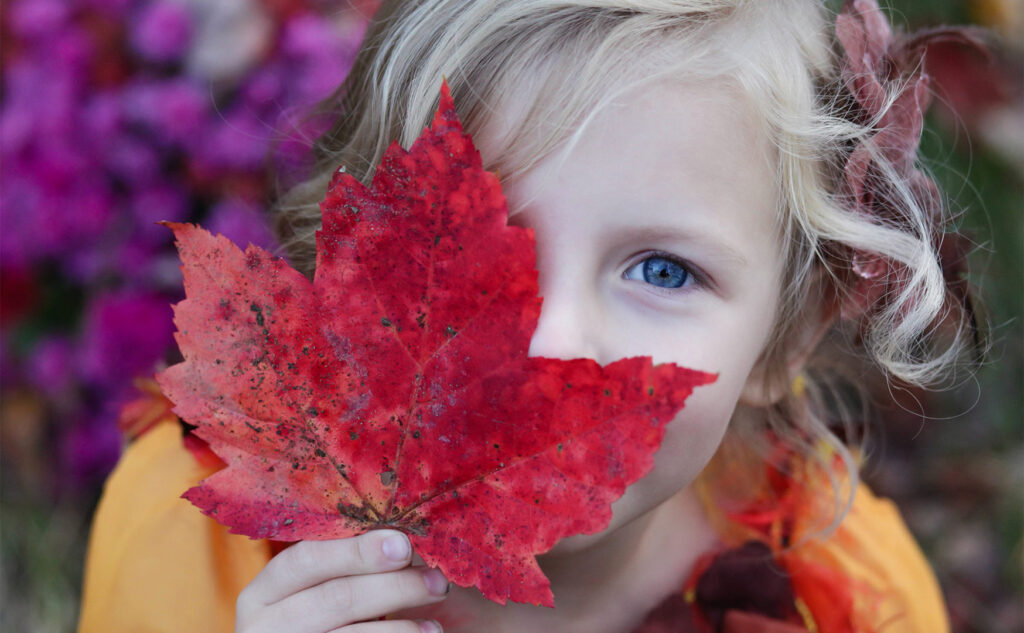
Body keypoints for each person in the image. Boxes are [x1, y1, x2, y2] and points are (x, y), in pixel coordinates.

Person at [78, 1, 984, 632]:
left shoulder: (856, 603)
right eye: (485, 241)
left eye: (663, 269)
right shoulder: (193, 550)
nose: (549, 339)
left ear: (786, 336)